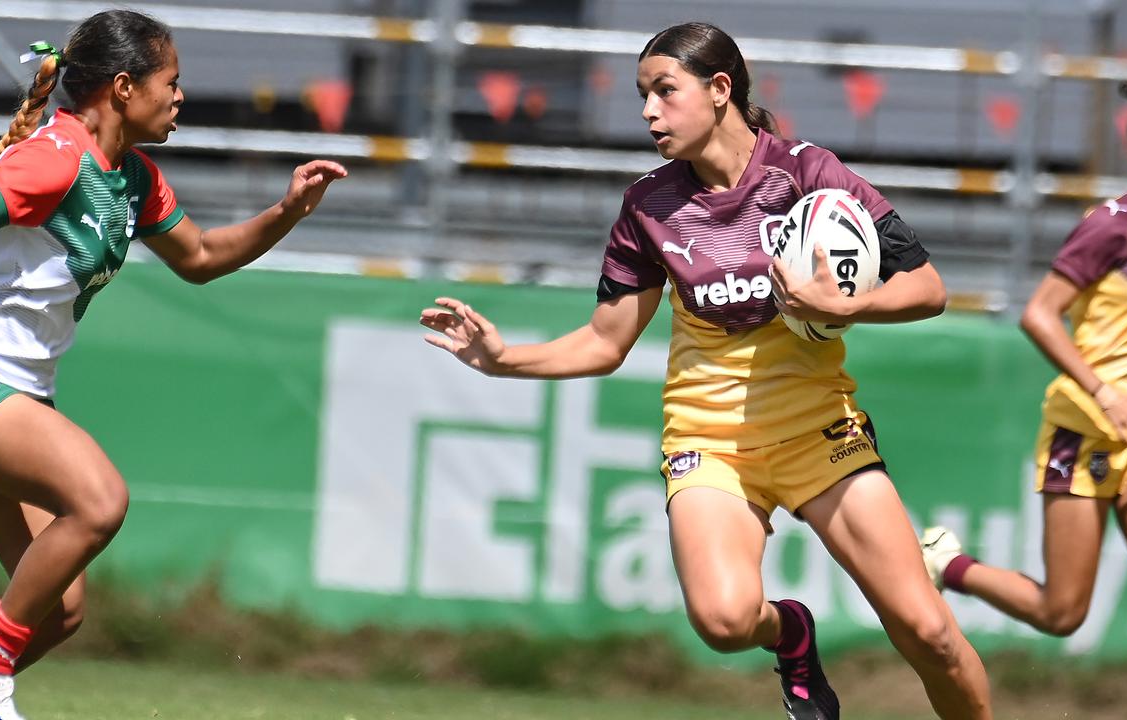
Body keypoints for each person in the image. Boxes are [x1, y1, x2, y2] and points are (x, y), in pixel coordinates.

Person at [420, 22, 991, 720]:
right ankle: (792, 635)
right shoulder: (648, 206)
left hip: (819, 432)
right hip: (708, 438)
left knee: (929, 633)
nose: (647, 111)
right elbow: (605, 343)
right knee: (722, 622)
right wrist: (503, 360)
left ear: (720, 90)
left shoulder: (809, 173)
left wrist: (847, 302)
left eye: (665, 91)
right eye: (641, 95)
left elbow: (928, 288)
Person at [0, 10, 346, 720]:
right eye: (171, 82)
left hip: (8, 393)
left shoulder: (131, 178)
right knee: (99, 501)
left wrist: (288, 212)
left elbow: (204, 258)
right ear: (123, 88)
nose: (180, 97)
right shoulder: (58, 156)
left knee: (57, 610)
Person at [919, 80, 1127, 641]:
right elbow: (1039, 314)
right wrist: (1105, 392)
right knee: (1061, 614)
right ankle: (949, 566)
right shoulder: (1114, 224)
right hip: (1087, 427)